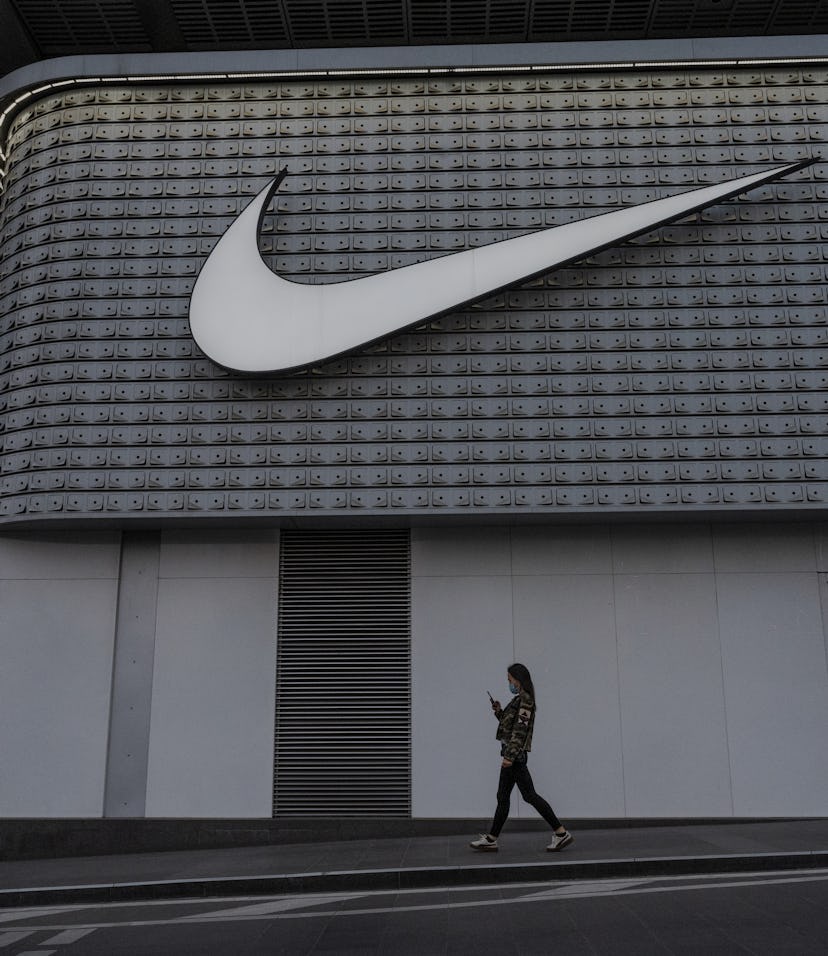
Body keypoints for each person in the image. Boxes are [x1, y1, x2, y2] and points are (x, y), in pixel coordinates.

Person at [470, 662, 573, 853]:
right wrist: (499, 711)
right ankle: (492, 838)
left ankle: (561, 833)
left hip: (514, 757)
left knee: (527, 796)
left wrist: (509, 757)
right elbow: (510, 725)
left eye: (509, 680)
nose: (508, 683)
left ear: (518, 680)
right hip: (513, 755)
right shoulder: (519, 700)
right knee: (507, 797)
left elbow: (520, 730)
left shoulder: (525, 701)